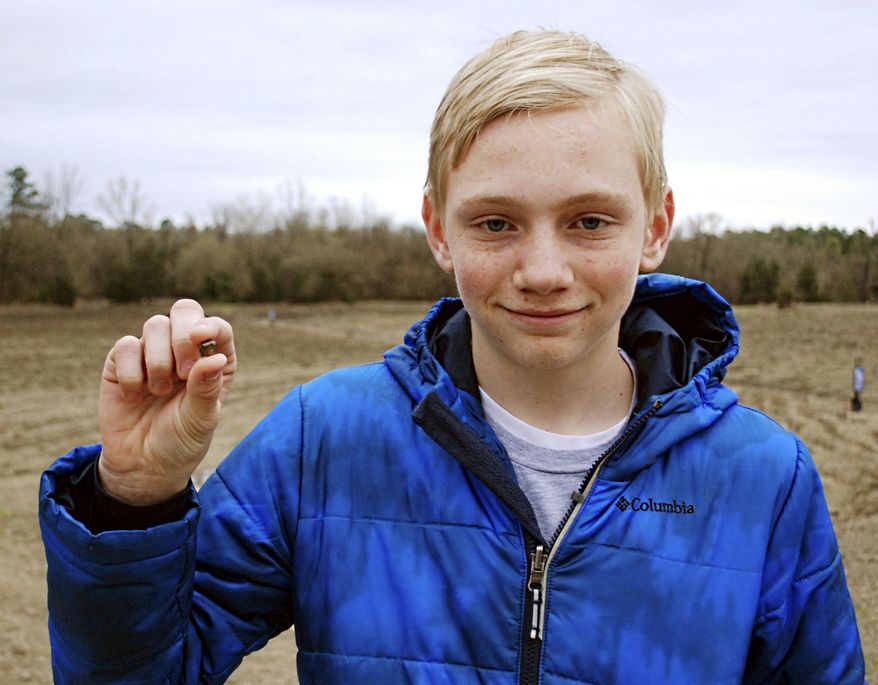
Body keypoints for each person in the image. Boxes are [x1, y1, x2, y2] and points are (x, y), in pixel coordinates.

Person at [39, 30, 865, 684]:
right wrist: (136, 500)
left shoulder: (763, 479)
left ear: (655, 224)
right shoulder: (323, 440)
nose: (543, 272)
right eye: (496, 223)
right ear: (438, 228)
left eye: (590, 221)